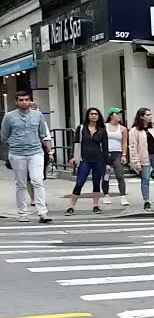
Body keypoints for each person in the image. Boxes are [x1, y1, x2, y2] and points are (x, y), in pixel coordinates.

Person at [1, 90, 53, 223]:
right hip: (17, 154)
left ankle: (42, 213)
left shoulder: (38, 115)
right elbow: (4, 136)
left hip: (36, 152)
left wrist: (49, 150)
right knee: (21, 184)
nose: (24, 102)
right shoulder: (9, 117)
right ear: (16, 102)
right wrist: (15, 143)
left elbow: (43, 133)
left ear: (30, 100)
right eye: (21, 100)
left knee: (37, 180)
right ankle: (22, 213)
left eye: (26, 100)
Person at [65, 107, 108, 215]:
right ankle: (71, 206)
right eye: (92, 114)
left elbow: (105, 147)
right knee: (80, 182)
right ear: (88, 116)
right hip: (85, 159)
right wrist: (72, 156)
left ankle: (96, 205)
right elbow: (75, 143)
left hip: (98, 159)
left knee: (96, 182)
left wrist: (107, 163)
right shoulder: (81, 128)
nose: (94, 116)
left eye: (96, 114)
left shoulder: (102, 130)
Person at [100, 107, 129, 206]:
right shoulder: (104, 127)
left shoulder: (123, 128)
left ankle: (123, 196)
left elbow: (124, 143)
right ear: (111, 115)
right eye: (117, 114)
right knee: (105, 175)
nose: (119, 116)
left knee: (120, 175)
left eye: (120, 114)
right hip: (106, 153)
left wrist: (124, 155)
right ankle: (106, 195)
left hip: (117, 153)